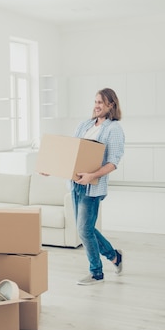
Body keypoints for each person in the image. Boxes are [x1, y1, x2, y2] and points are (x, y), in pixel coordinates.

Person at [72, 88, 125, 285]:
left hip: (92, 187)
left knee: (84, 230)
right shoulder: (85, 125)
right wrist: (51, 167)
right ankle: (114, 256)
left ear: (111, 105)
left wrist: (91, 176)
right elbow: (72, 152)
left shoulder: (114, 129)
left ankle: (96, 272)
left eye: (101, 102)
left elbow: (113, 162)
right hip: (76, 184)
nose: (96, 106)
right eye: (95, 101)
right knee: (85, 228)